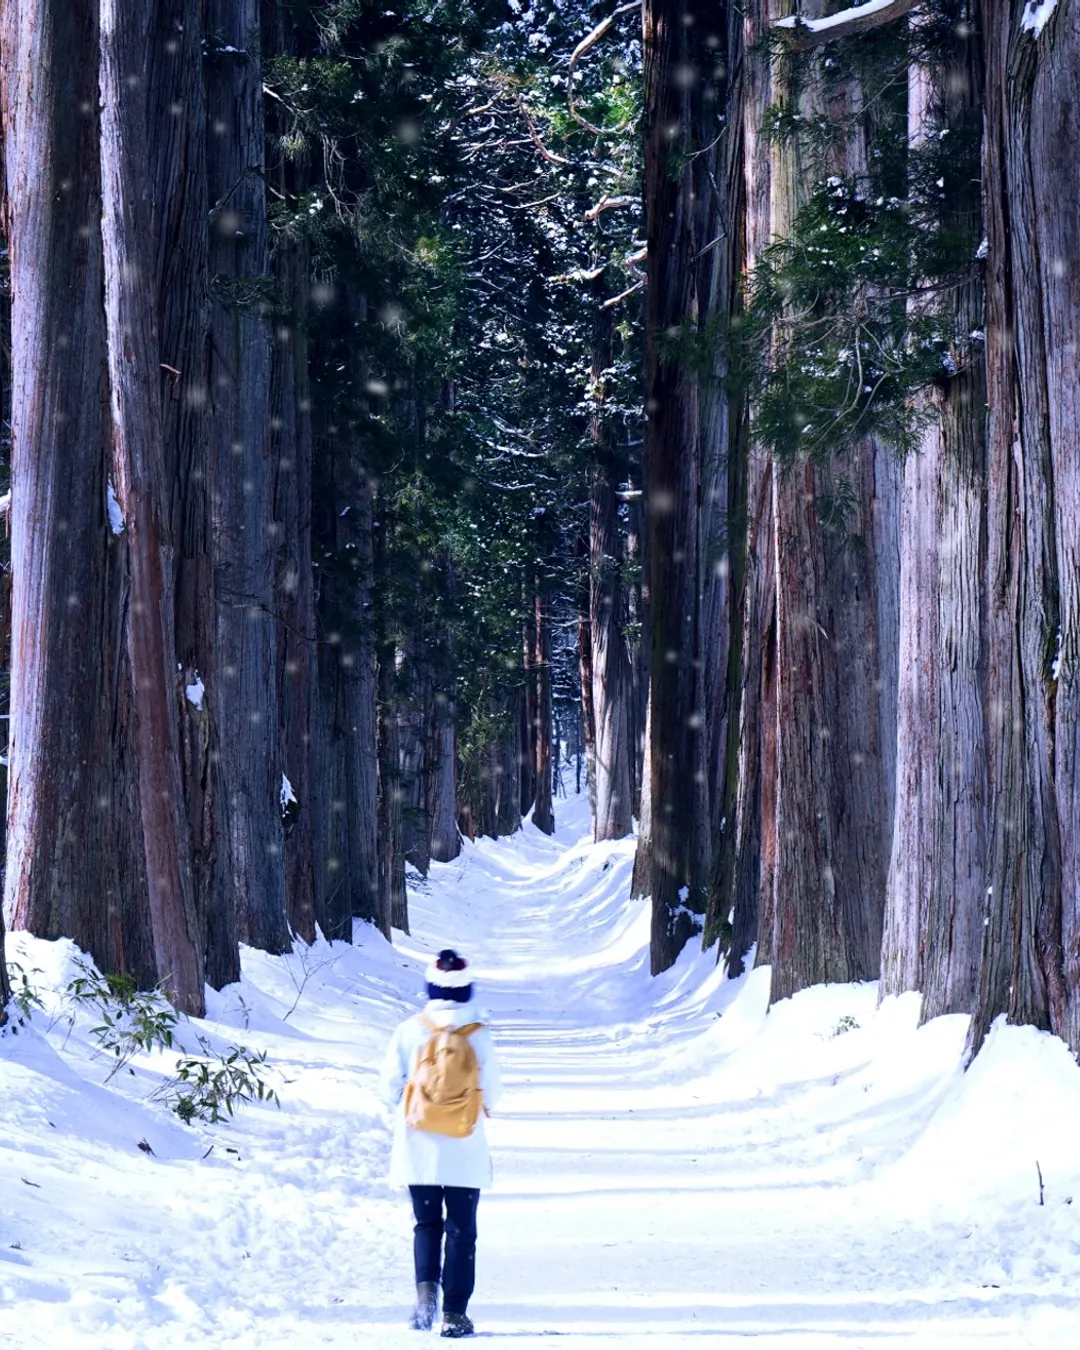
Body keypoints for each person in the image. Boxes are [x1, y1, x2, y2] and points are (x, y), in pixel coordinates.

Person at [381, 949, 502, 1339]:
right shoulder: (479, 1035)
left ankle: (425, 1299)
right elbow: (494, 1094)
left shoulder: (410, 1030)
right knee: (462, 1229)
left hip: (419, 1145)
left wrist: (412, 1107)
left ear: (431, 987)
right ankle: (454, 1314)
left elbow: (389, 1086)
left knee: (427, 1224)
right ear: (467, 990)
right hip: (464, 1146)